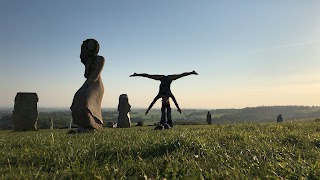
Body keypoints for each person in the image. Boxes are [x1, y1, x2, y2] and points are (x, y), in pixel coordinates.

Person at [130, 71, 198, 127]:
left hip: (162, 78)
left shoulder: (160, 95)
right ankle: (164, 123)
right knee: (149, 76)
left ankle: (168, 123)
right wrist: (178, 108)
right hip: (168, 78)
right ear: (167, 100)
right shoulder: (169, 94)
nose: (164, 99)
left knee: (167, 112)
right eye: (166, 100)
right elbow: (174, 101)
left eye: (164, 101)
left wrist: (148, 110)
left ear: (162, 100)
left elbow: (153, 102)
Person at [70, 39, 105, 133]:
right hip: (89, 82)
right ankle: (84, 125)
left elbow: (95, 75)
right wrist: (88, 62)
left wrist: (86, 86)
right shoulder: (89, 60)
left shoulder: (100, 59)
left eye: (92, 45)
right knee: (78, 97)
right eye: (89, 45)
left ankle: (94, 124)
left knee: (87, 101)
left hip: (96, 85)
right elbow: (86, 75)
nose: (90, 47)